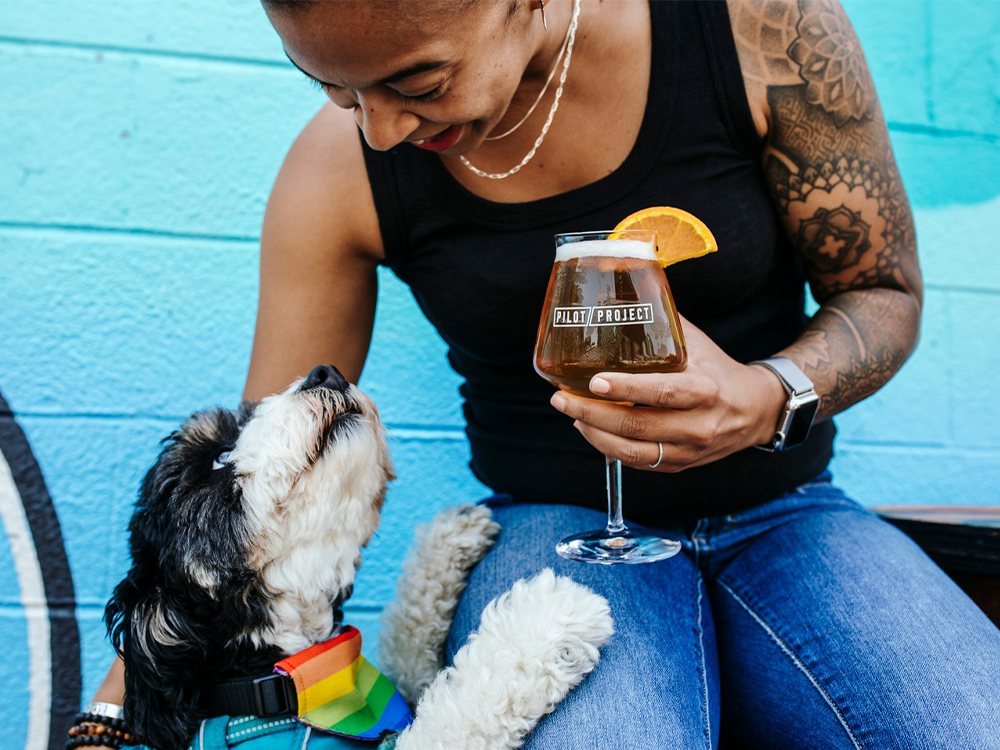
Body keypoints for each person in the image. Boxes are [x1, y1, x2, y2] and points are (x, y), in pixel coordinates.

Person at [86, 1, 1000, 748]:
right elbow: (251, 486)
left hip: (785, 510)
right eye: (331, 86)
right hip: (553, 528)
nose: (380, 127)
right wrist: (108, 721)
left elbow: (882, 290)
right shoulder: (337, 170)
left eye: (417, 81)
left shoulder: (764, 30)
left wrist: (767, 397)